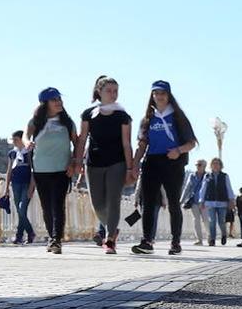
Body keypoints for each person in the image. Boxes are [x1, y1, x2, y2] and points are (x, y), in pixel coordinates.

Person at [131, 80, 198, 255]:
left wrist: (179, 150)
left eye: (163, 93)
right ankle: (147, 241)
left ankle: (175, 242)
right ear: (152, 96)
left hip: (172, 162)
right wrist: (135, 163)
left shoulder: (178, 117)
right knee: (148, 202)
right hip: (152, 161)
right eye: (156, 93)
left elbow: (192, 142)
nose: (159, 96)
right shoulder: (147, 119)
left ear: (168, 96)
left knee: (173, 202)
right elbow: (142, 143)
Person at [74, 75, 134, 254]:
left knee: (113, 200)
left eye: (116, 91)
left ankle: (109, 240)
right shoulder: (89, 114)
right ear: (99, 91)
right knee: (98, 204)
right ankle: (113, 228)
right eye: (109, 90)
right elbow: (82, 139)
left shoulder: (123, 116)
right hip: (94, 163)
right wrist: (77, 161)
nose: (113, 94)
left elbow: (126, 143)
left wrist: (130, 168)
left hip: (117, 163)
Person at [24, 88, 78, 254]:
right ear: (45, 103)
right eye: (54, 99)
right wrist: (27, 143)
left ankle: (56, 239)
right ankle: (51, 237)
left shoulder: (68, 122)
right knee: (46, 206)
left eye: (59, 98)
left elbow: (77, 145)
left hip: (61, 169)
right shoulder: (35, 122)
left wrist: (73, 163)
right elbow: (26, 136)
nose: (58, 102)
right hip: (41, 169)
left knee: (58, 205)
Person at [3, 130, 36, 244]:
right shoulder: (12, 153)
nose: (14, 142)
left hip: (26, 183)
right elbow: (9, 171)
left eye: (16, 140)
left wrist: (32, 187)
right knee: (19, 210)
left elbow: (33, 170)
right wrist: (6, 187)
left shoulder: (30, 152)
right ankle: (21, 236)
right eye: (13, 140)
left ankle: (27, 233)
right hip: (15, 183)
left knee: (22, 210)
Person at [201, 157, 236, 245]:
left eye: (217, 163)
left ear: (220, 166)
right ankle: (212, 239)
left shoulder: (224, 176)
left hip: (222, 202)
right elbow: (203, 189)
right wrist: (201, 200)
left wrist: (231, 200)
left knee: (221, 221)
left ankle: (224, 234)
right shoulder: (207, 176)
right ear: (211, 166)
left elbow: (229, 188)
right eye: (214, 163)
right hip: (210, 202)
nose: (215, 165)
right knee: (212, 221)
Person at [182, 158, 208, 245]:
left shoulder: (207, 176)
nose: (197, 167)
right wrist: (181, 200)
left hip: (204, 202)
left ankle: (210, 238)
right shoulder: (192, 176)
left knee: (206, 220)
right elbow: (187, 188)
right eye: (196, 165)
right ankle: (199, 240)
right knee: (196, 220)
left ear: (204, 166)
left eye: (199, 165)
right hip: (194, 201)